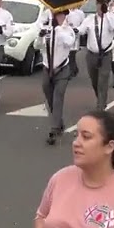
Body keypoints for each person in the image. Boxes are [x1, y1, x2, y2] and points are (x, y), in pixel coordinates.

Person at [41, 8, 80, 144]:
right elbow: (37, 46)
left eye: (60, 15)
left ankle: (54, 129)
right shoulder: (47, 30)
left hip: (62, 69)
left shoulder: (68, 30)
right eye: (56, 15)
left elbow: (70, 43)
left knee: (58, 97)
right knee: (49, 96)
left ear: (65, 16)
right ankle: (59, 121)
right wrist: (40, 36)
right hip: (47, 68)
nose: (58, 18)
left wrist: (58, 30)